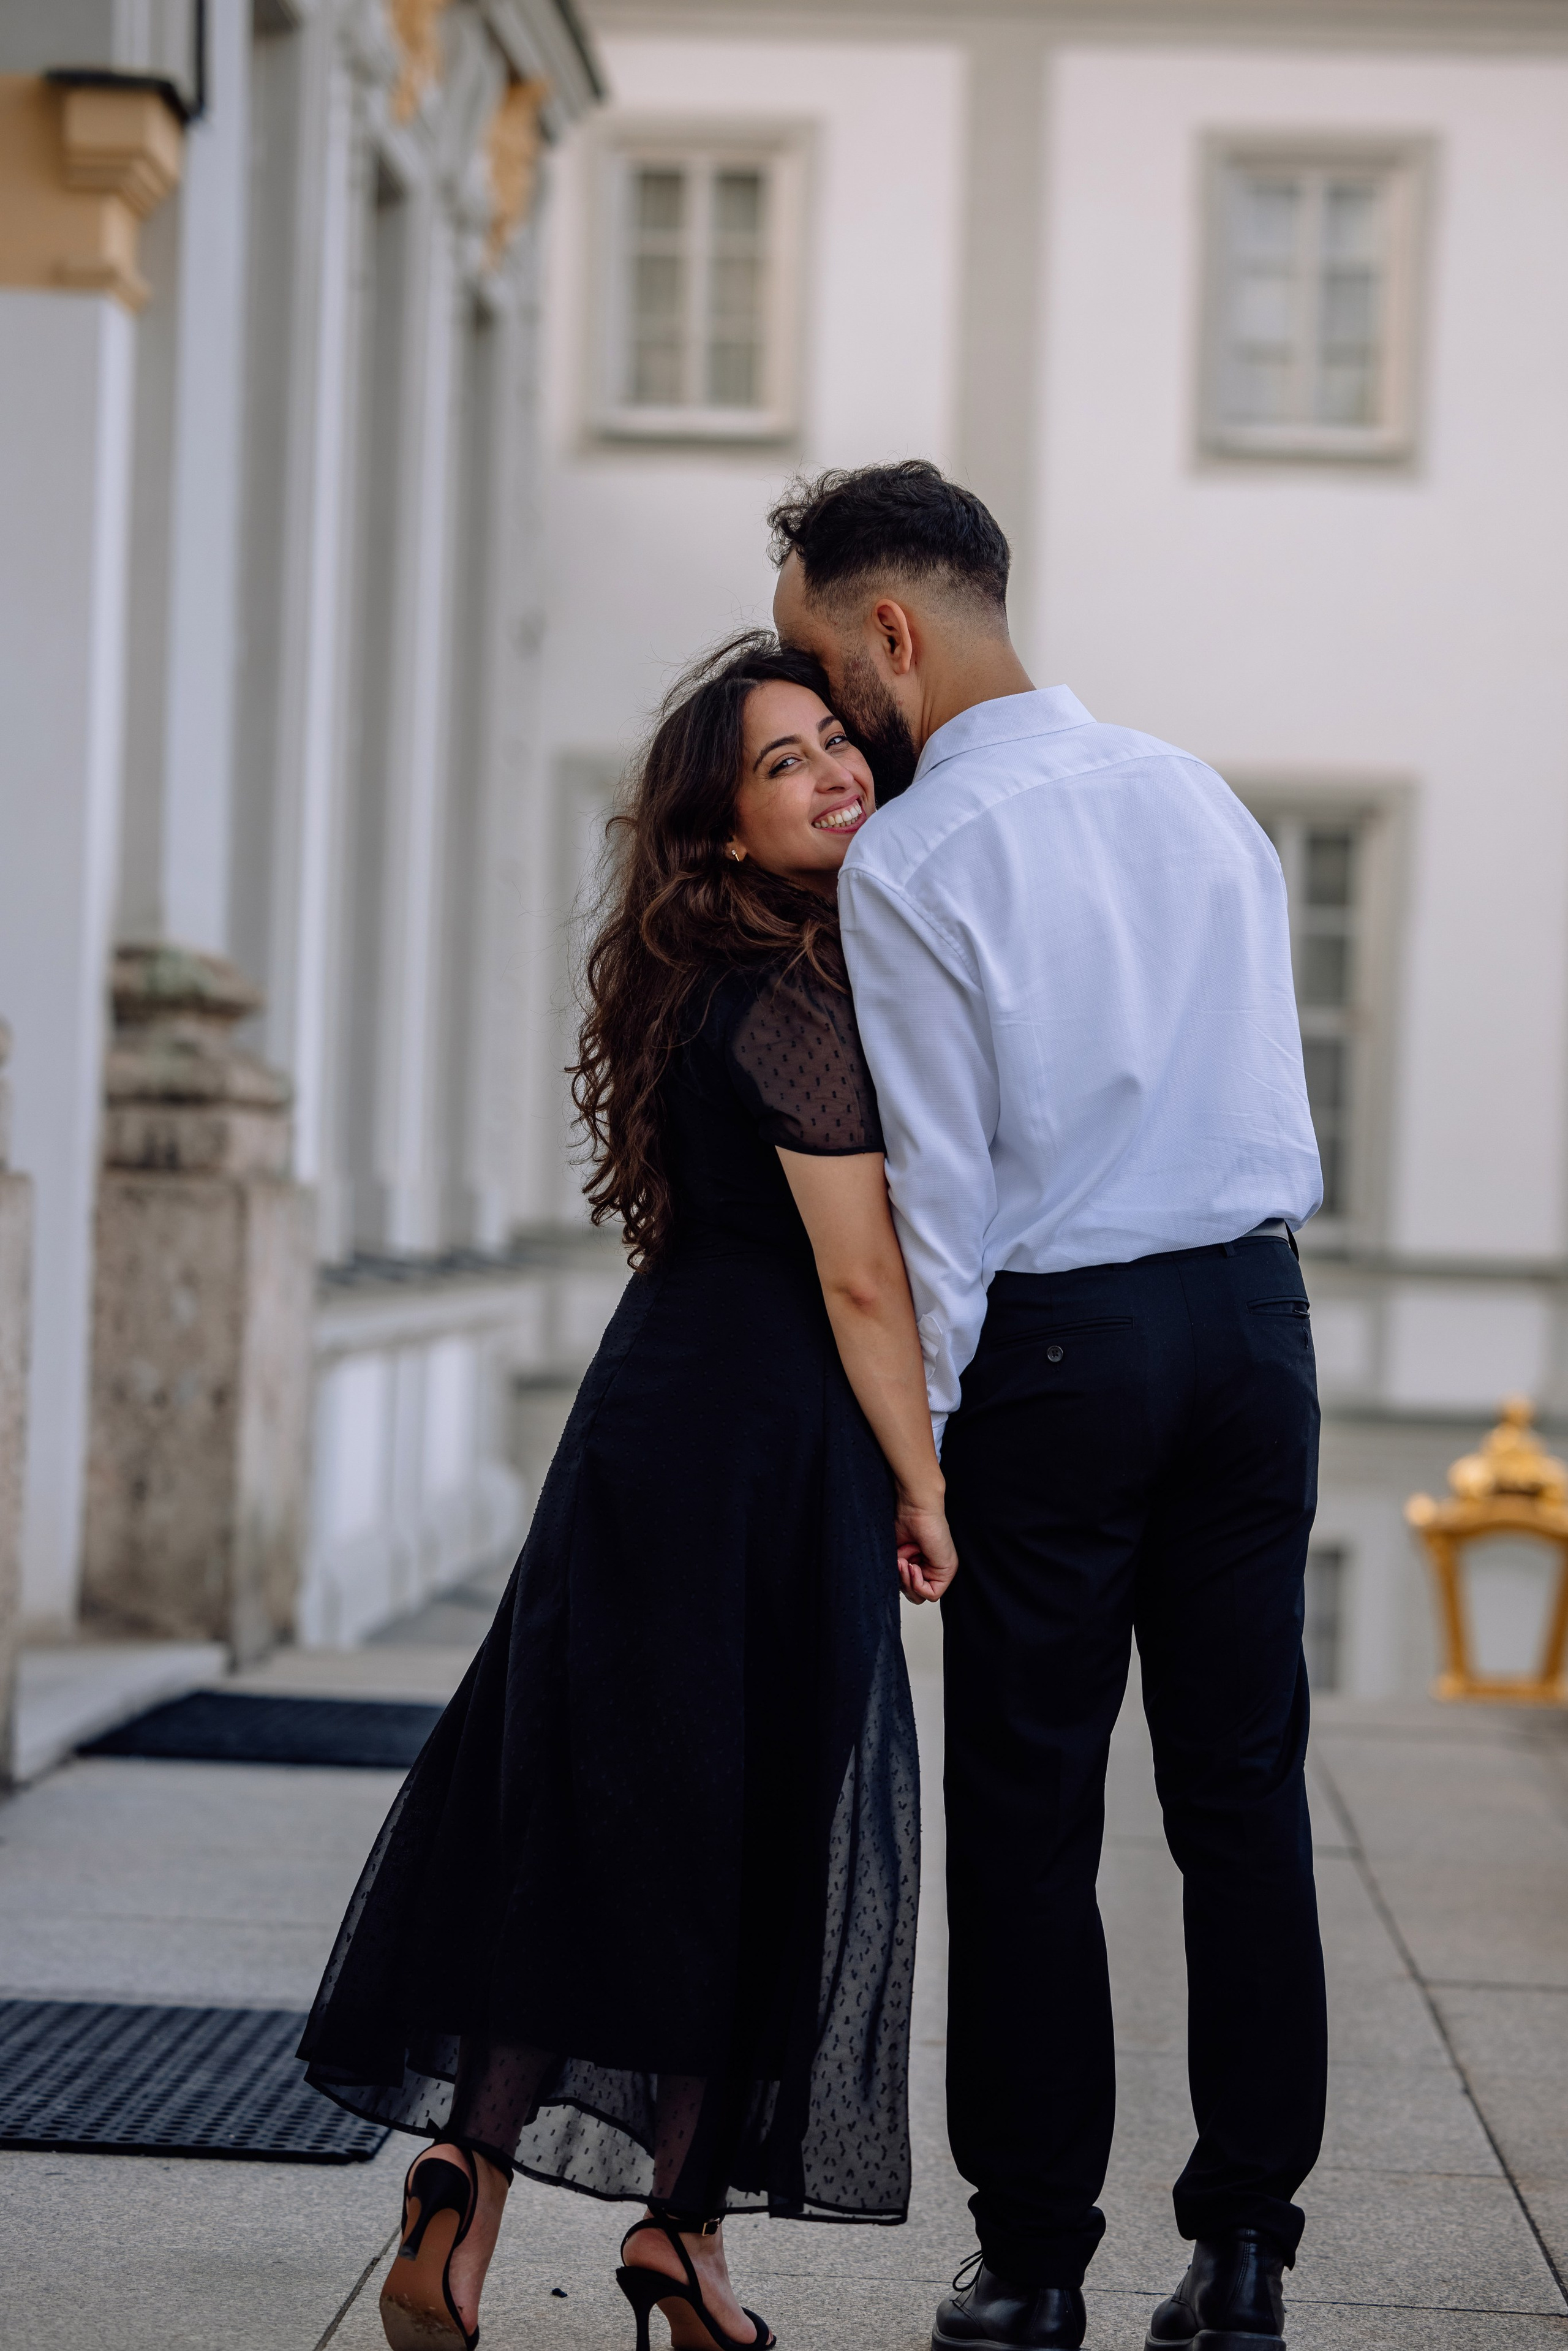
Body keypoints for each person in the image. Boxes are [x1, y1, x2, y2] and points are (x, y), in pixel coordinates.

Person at [298, 634, 957, 2351]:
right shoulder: (805, 995)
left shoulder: (693, 975)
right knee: (743, 1838)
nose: (834, 774)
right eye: (784, 765)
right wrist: (925, 1479)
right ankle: (683, 2241)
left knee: (586, 1821)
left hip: (644, 1419)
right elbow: (862, 1282)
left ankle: (466, 2182)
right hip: (762, 1448)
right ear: (723, 829)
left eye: (836, 743)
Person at [771, 461, 1327, 2351]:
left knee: (1028, 1820)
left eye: (823, 666)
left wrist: (916, 1461)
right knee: (1243, 1792)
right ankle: (1248, 2249)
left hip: (1062, 1350)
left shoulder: (921, 863)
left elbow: (939, 1197)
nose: (834, 716)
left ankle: (1031, 2266)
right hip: (1258, 1325)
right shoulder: (1205, 798)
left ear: (895, 635)